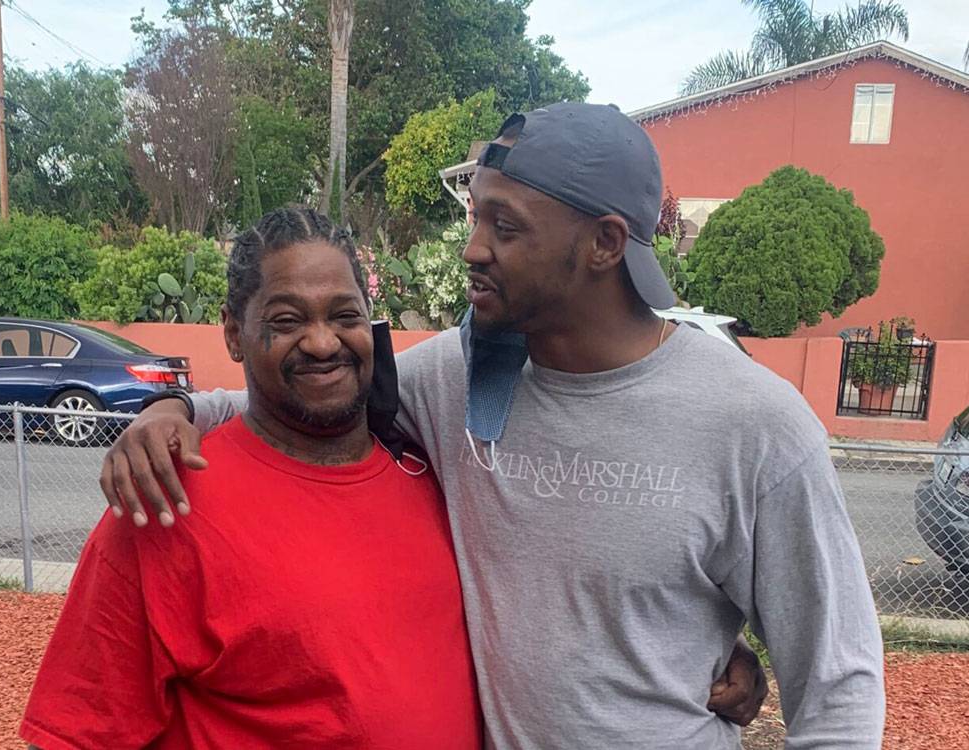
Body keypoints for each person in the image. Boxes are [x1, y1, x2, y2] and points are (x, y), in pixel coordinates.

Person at [100, 103, 885, 748]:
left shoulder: (756, 424)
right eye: (477, 217)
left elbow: (839, 686)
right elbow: (310, 399)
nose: (473, 248)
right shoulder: (462, 376)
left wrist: (721, 657)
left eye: (504, 227)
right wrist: (172, 409)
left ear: (605, 243)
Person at [20, 208, 483, 749]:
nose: (322, 342)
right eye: (287, 321)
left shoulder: (426, 472)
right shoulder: (166, 501)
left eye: (345, 316)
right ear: (234, 334)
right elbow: (73, 735)